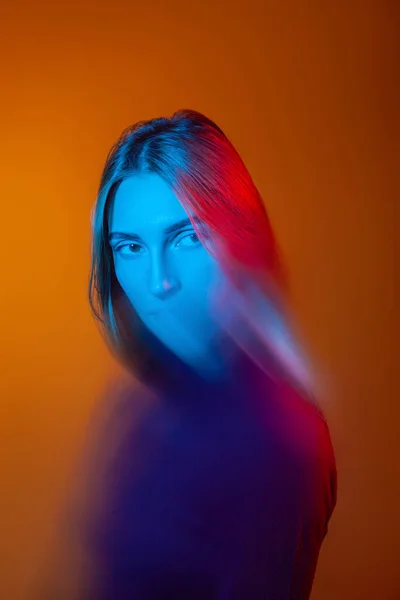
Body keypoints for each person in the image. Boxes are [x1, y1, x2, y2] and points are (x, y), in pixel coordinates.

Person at [75, 108, 336, 599]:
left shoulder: (280, 438)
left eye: (189, 237)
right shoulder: (141, 410)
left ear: (241, 236)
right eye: (129, 248)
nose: (159, 282)